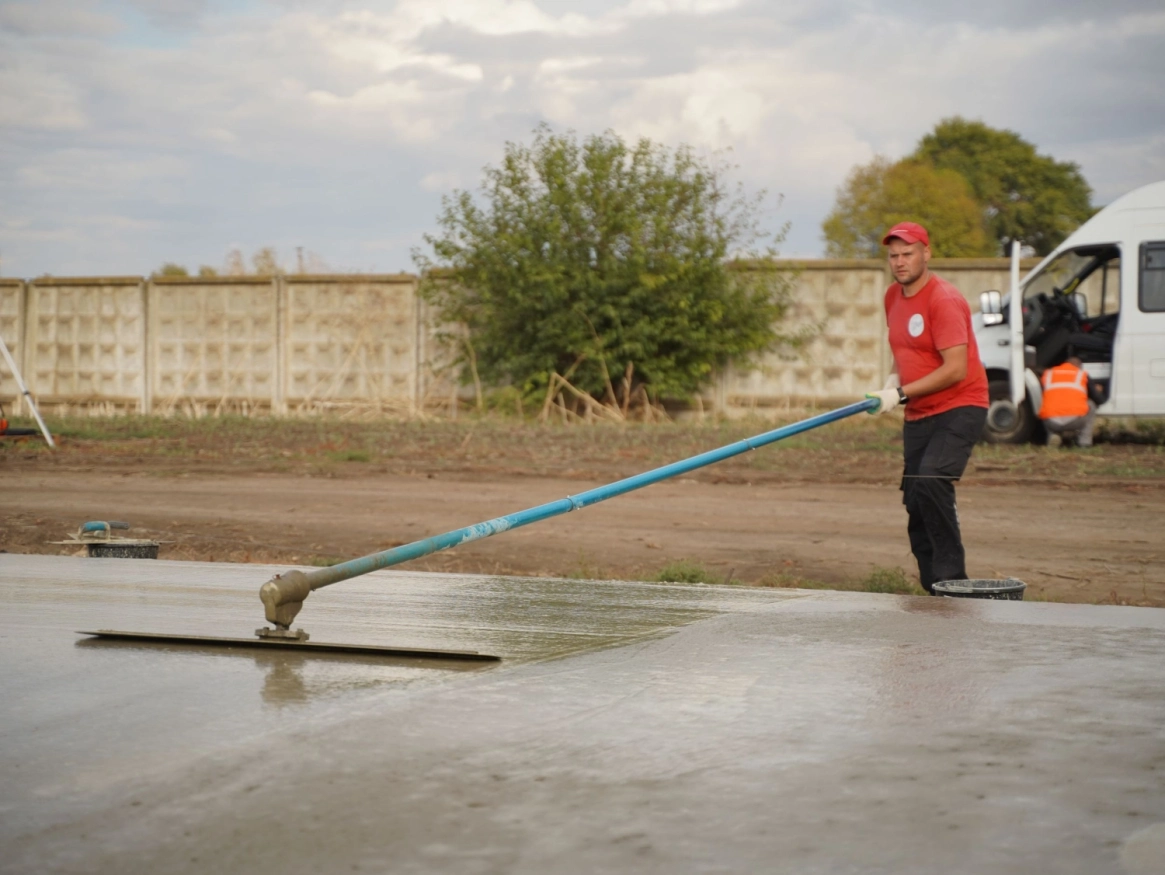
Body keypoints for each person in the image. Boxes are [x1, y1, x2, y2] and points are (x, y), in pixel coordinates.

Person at [864, 222, 989, 594]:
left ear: (926, 254)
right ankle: (933, 590)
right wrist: (891, 381)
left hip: (961, 405)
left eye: (908, 253)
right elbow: (904, 351)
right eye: (894, 255)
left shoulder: (944, 300)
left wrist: (899, 393)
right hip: (919, 413)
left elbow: (956, 369)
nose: (900, 262)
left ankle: (955, 583)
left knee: (933, 481)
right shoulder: (892, 297)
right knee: (916, 499)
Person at [1038, 355, 1099, 447]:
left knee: (1045, 403)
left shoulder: (1048, 373)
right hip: (1074, 421)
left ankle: (1053, 435)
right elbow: (1098, 399)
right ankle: (1084, 442)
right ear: (1079, 366)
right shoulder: (1081, 374)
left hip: (1051, 423)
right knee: (1091, 404)